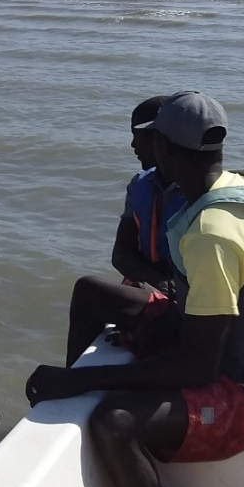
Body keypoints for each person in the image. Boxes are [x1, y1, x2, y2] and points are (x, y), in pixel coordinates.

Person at [25, 91, 244, 487]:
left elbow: (198, 367)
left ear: (163, 148)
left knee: (113, 421)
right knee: (92, 293)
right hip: (237, 346)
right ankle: (67, 408)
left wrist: (82, 382)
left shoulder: (213, 233)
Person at [64, 96, 187, 365]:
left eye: (137, 136)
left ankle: (72, 382)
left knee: (88, 291)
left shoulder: (196, 189)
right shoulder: (139, 186)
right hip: (154, 289)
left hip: (190, 304)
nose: (132, 146)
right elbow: (121, 254)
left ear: (159, 137)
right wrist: (153, 279)